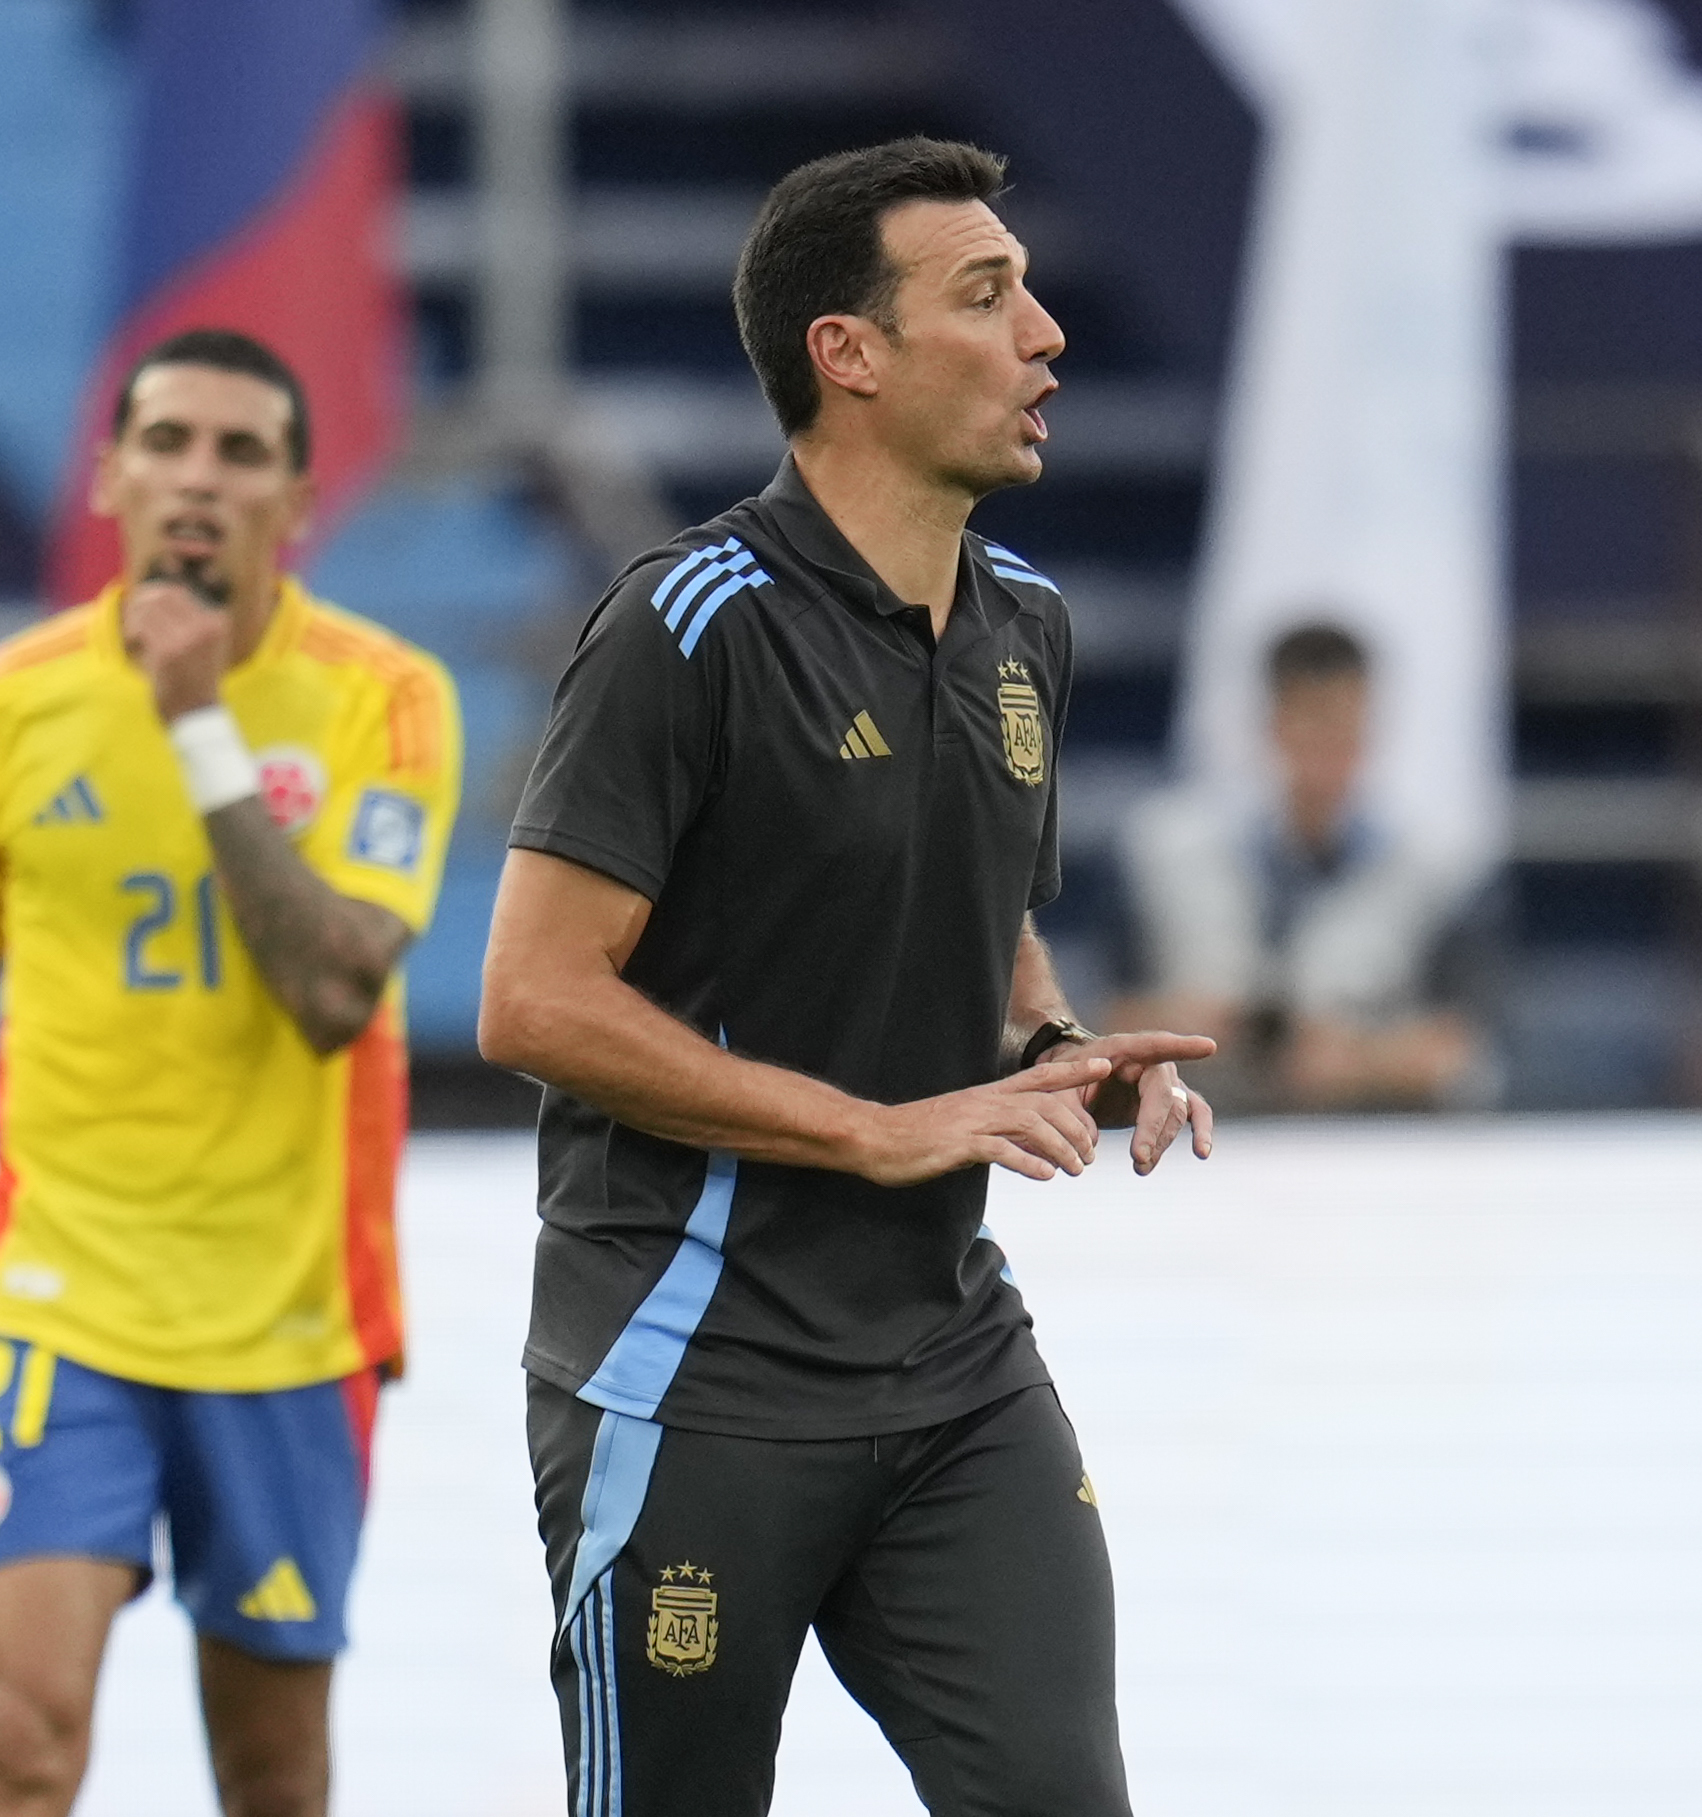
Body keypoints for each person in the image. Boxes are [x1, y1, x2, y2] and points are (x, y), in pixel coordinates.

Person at [475, 138, 1217, 1816]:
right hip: (692, 1370)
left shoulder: (1025, 619)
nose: (1045, 335)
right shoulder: (690, 626)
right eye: (986, 294)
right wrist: (874, 1129)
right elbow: (531, 1000)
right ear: (848, 355)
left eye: (1027, 291)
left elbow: (976, 908)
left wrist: (1056, 1036)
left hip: (954, 1367)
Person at [0, 328, 460, 1817]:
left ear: (299, 500)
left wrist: (196, 723)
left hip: (288, 1323)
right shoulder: (8, 704)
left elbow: (335, 993)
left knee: (269, 1778)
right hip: (57, 1308)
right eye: (168, 443)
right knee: (20, 1736)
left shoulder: (384, 701)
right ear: (110, 476)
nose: (198, 479)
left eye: (240, 452)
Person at [1114, 621, 1500, 1111]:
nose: (1329, 751)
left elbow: (1464, 1047)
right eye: (1312, 723)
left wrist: (1358, 1058)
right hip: (1197, 1137)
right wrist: (1193, 1025)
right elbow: (1106, 1015)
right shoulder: (1169, 856)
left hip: (1366, 1142)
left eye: (1346, 727)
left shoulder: (1437, 870)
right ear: (1273, 724)